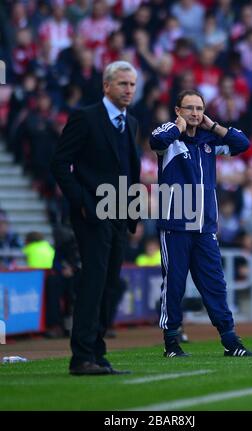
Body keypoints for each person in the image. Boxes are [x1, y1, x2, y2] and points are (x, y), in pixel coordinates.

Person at [150, 89, 252, 358]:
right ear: (178, 110)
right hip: (175, 225)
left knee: (215, 284)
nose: (195, 114)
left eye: (200, 108)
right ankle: (172, 342)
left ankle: (230, 340)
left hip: (205, 227)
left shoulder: (208, 138)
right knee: (174, 284)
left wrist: (214, 125)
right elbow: (156, 141)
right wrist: (177, 127)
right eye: (189, 108)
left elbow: (242, 144)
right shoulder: (170, 135)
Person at [51, 61, 140, 375]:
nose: (129, 90)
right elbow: (60, 163)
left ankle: (98, 353)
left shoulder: (131, 124)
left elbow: (131, 171)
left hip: (119, 213)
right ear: (106, 86)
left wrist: (133, 211)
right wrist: (83, 202)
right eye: (123, 84)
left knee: (110, 285)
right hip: (92, 213)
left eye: (132, 84)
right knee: (94, 281)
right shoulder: (85, 117)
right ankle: (82, 357)